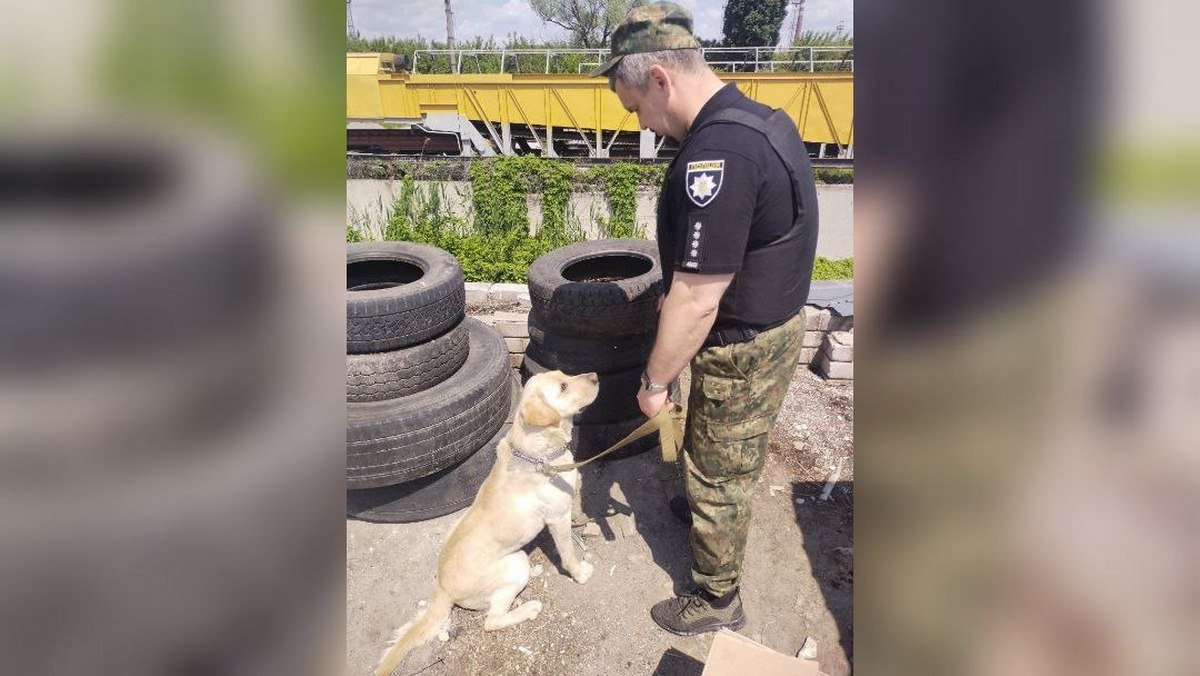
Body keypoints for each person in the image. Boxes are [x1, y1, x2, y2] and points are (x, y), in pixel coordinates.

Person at [590, 1, 820, 635]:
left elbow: (696, 298)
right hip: (767, 327)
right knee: (718, 452)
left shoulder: (718, 155)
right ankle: (699, 505)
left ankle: (717, 598)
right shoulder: (758, 120)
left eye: (635, 107)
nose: (641, 123)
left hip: (741, 345)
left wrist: (655, 383)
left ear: (661, 78)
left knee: (721, 470)